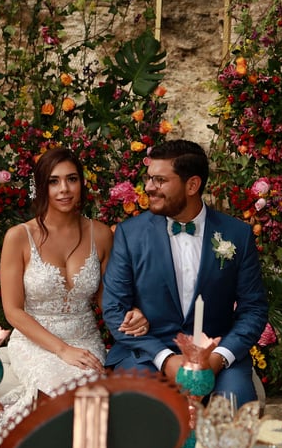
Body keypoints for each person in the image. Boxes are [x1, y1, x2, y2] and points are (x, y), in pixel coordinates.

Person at [102, 139, 268, 407]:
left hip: (217, 356)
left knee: (233, 409)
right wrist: (166, 359)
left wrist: (217, 358)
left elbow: (254, 309)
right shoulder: (130, 234)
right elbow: (114, 308)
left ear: (192, 185)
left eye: (160, 180)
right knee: (142, 408)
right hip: (147, 355)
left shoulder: (237, 234)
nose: (149, 187)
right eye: (149, 178)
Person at [0, 147, 148, 416]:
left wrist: (133, 314)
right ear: (41, 187)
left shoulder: (100, 234)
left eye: (72, 179)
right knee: (57, 396)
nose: (64, 189)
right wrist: (62, 350)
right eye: (53, 181)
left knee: (89, 397)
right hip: (35, 342)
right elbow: (13, 311)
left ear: (81, 183)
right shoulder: (18, 237)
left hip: (85, 340)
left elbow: (108, 299)